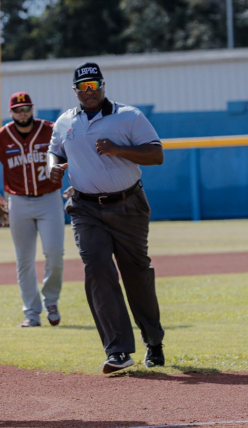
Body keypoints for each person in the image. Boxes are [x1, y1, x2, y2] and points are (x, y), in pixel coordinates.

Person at [47, 62, 166, 375]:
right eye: (83, 87)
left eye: (94, 85)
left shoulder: (129, 116)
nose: (89, 92)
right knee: (97, 269)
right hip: (85, 208)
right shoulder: (64, 121)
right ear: (75, 90)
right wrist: (54, 166)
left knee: (136, 274)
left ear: (103, 86)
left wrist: (118, 149)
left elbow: (156, 154)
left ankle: (153, 340)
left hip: (128, 205)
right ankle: (118, 351)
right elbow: (56, 151)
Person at [0, 91, 65, 328]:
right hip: (17, 201)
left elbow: (72, 155)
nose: (23, 113)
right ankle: (32, 313)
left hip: (49, 198)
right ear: (11, 113)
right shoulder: (2, 136)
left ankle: (51, 300)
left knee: (55, 253)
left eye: (26, 108)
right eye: (18, 110)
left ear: (32, 109)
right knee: (24, 260)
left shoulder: (50, 129)